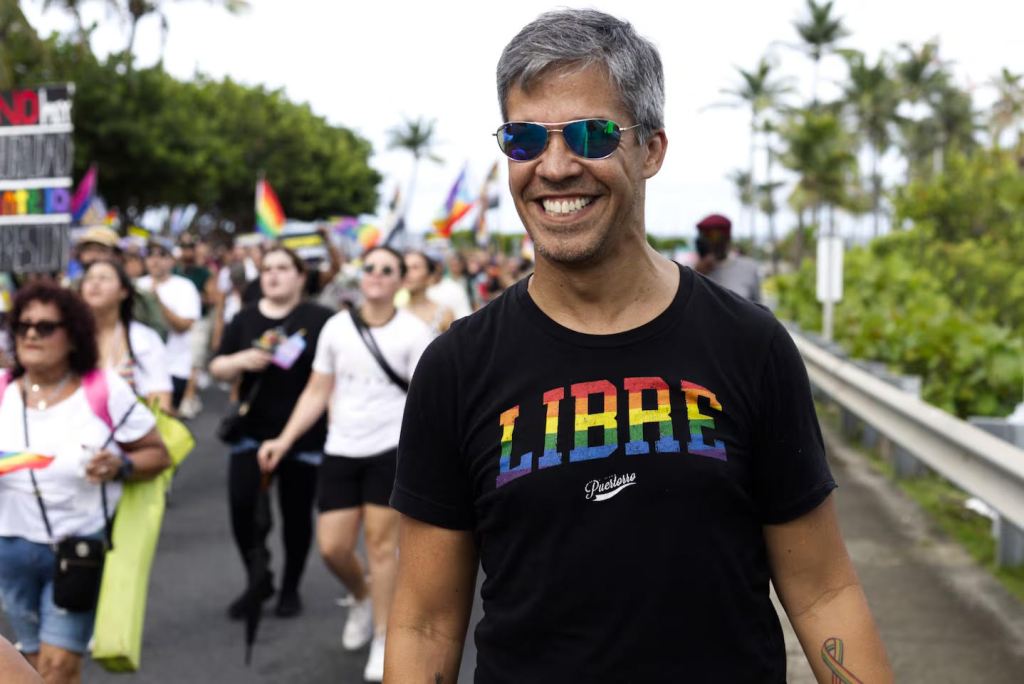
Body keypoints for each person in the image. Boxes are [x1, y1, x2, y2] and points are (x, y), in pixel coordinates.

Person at [385, 9, 893, 683]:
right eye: (524, 139)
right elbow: (424, 624)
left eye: (592, 135)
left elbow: (824, 592)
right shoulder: (457, 368)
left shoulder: (749, 345)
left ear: (651, 150)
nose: (554, 167)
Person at [257, 246, 433, 682]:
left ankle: (382, 637)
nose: (376, 274)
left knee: (380, 547)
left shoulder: (415, 332)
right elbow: (317, 390)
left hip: (389, 449)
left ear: (400, 280)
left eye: (387, 269)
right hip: (340, 448)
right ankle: (361, 595)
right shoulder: (337, 327)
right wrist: (284, 440)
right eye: (370, 267)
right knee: (332, 548)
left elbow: (424, 401)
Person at [0, 282, 169, 684]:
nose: (31, 335)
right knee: (32, 665)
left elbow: (157, 454)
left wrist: (120, 465)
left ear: (74, 335)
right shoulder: (3, 388)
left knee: (57, 668)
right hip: (10, 548)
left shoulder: (103, 389)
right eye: (22, 326)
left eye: (45, 327)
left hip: (76, 549)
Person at [209, 246, 334, 619]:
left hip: (302, 435)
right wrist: (240, 360)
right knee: (243, 512)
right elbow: (216, 366)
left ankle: (291, 587)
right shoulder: (245, 318)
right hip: (251, 431)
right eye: (267, 269)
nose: (273, 275)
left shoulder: (321, 319)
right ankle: (257, 579)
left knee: (296, 516)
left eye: (282, 268)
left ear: (300, 276)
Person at [80, 259, 173, 413]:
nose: (95, 283)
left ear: (123, 291)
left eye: (104, 278)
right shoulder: (66, 338)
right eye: (89, 278)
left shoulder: (145, 339)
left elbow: (160, 402)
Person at [137, 239, 201, 411]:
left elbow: (183, 326)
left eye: (162, 255)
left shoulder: (185, 287)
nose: (155, 260)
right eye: (150, 255)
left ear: (172, 260)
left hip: (174, 368)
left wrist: (156, 302)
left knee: (166, 420)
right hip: (141, 369)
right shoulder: (137, 285)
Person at [174, 235, 217, 419]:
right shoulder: (174, 270)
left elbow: (213, 298)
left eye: (189, 248)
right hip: (176, 321)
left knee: (194, 361)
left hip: (198, 321)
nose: (186, 252)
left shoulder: (204, 273)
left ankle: (189, 398)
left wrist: (194, 296)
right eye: (183, 247)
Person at [694, 212, 762, 302]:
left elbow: (757, 306)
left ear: (727, 238)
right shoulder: (692, 272)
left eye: (712, 236)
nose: (706, 241)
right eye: (702, 235)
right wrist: (696, 276)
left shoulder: (748, 268)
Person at [403, 251, 454, 336]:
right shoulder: (394, 311)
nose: (407, 273)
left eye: (415, 267)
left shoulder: (444, 314)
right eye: (405, 268)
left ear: (429, 275)